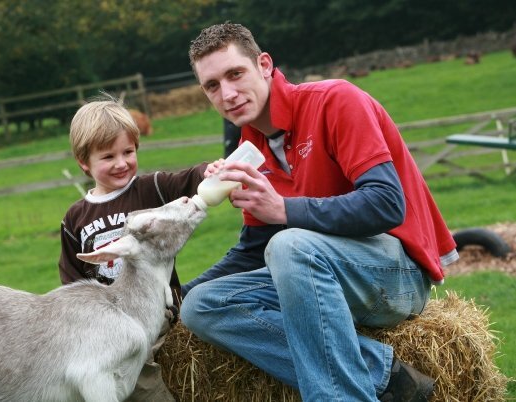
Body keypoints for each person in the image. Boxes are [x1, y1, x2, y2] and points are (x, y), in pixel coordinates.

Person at [180, 22, 459, 401]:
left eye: (235, 74)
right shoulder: (249, 148)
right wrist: (171, 298)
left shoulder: (336, 100)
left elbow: (387, 203)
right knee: (202, 305)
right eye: (212, 85)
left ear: (264, 65)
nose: (227, 94)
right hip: (317, 280)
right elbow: (252, 251)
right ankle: (383, 374)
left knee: (290, 246)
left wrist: (283, 209)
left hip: (396, 277)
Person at [59, 94, 206, 402]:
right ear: (84, 162)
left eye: (128, 151)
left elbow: (190, 180)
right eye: (108, 157)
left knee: (133, 360)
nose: (121, 163)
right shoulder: (75, 218)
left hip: (155, 311)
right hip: (106, 321)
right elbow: (72, 277)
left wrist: (211, 172)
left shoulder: (152, 188)